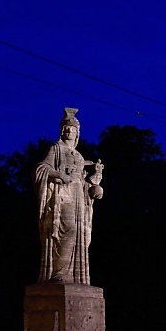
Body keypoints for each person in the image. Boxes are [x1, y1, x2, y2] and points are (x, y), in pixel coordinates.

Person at [35, 108, 104, 284]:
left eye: (71, 129)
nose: (68, 131)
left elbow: (84, 182)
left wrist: (95, 183)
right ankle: (59, 274)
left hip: (78, 199)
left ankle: (74, 277)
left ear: (77, 133)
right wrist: (58, 175)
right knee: (66, 231)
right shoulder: (56, 149)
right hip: (62, 196)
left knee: (80, 233)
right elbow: (41, 169)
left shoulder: (79, 157)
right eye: (65, 128)